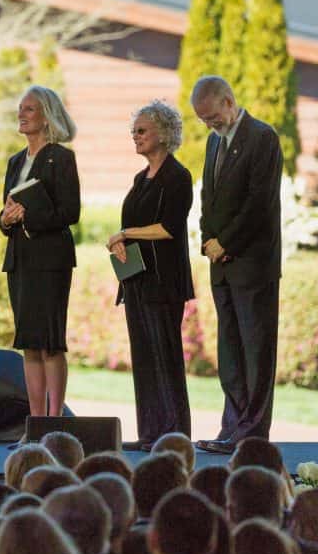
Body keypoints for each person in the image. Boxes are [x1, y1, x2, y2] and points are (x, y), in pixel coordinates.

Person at [191, 76, 283, 454]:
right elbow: (208, 196)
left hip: (253, 265)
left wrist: (226, 242)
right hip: (223, 265)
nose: (210, 126)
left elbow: (259, 203)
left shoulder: (262, 138)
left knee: (256, 351)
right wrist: (208, 240)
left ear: (228, 102)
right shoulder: (215, 142)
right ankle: (232, 427)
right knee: (230, 351)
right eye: (204, 121)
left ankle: (251, 434)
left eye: (213, 117)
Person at [106, 100, 194, 452]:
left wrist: (127, 233)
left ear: (164, 133)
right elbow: (134, 229)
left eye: (142, 131)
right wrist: (121, 243)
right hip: (136, 280)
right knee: (143, 359)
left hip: (164, 282)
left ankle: (174, 436)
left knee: (165, 358)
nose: (136, 137)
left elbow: (169, 228)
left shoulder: (178, 176)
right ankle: (149, 433)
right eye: (134, 132)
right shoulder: (139, 179)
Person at [0, 85, 80, 420]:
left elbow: (70, 212)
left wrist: (27, 214)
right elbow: (6, 212)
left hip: (50, 261)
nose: (22, 114)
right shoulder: (15, 161)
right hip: (20, 260)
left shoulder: (61, 158)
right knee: (29, 343)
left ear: (47, 116)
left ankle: (54, 420)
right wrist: (5, 219)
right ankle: (35, 422)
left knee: (50, 342)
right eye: (20, 108)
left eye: (29, 109)